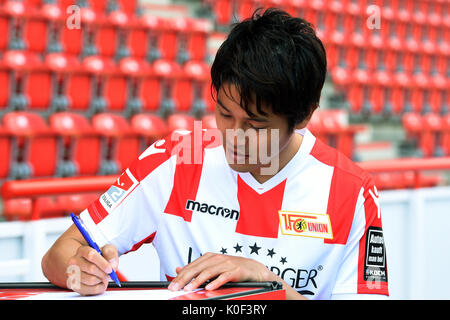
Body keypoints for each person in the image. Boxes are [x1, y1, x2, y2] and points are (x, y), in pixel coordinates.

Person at [41, 8, 389, 300]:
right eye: (224, 113)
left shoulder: (353, 192)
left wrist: (268, 285)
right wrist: (79, 272)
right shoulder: (176, 158)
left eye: (254, 125)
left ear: (304, 116)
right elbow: (57, 256)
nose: (234, 136)